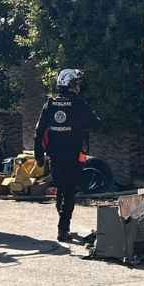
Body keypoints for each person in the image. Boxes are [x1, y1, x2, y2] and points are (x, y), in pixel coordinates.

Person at [34, 68, 99, 242]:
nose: (78, 86)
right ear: (71, 84)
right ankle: (63, 229)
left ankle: (62, 221)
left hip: (54, 156)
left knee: (61, 188)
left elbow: (38, 132)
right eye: (77, 83)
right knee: (69, 191)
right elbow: (94, 123)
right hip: (74, 156)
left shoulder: (50, 103)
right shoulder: (78, 103)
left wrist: (38, 155)